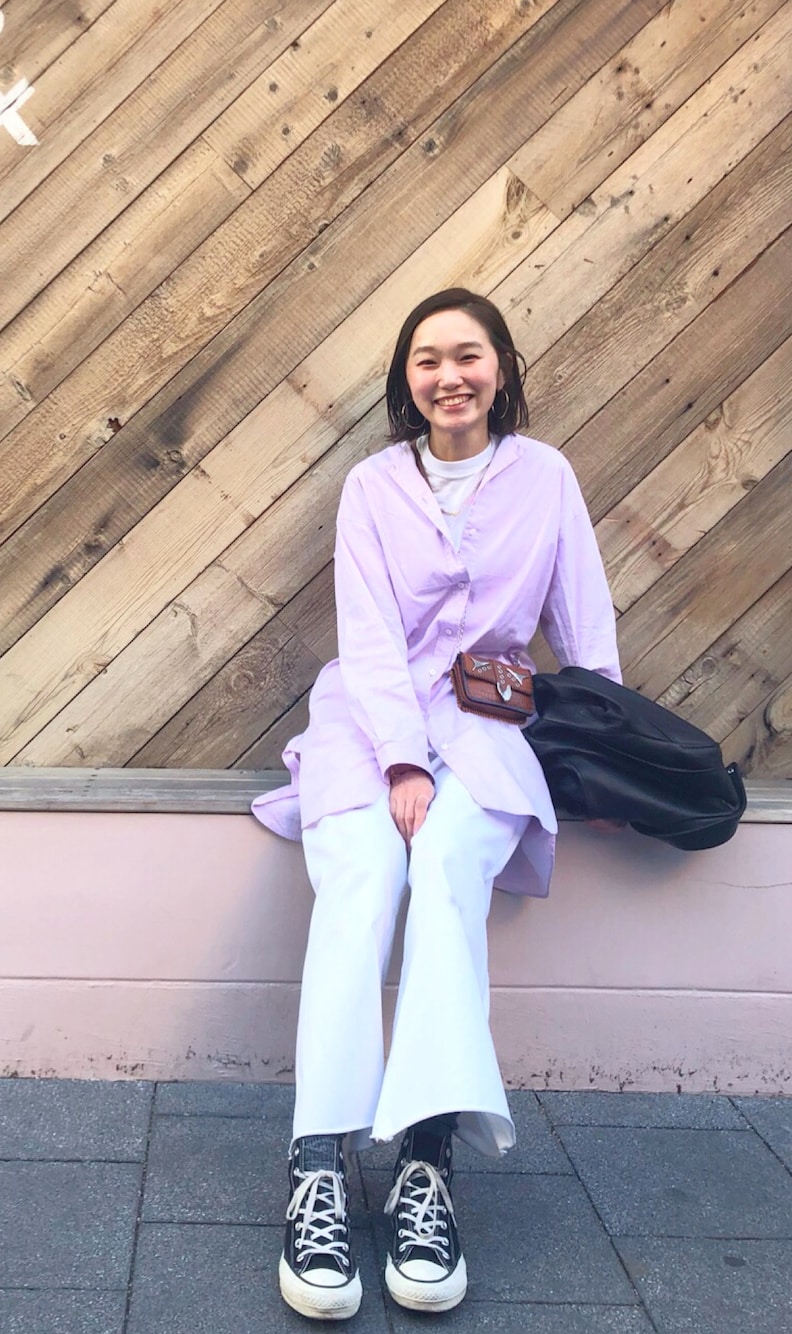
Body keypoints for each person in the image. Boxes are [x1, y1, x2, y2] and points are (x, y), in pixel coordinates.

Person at [251, 288, 621, 1320]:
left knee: (449, 864)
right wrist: (401, 759)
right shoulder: (372, 486)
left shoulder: (546, 476)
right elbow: (368, 635)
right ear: (405, 379)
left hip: (490, 723)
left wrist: (604, 755)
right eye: (427, 359)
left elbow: (584, 624)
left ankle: (426, 1162)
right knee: (365, 875)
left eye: (467, 355)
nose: (448, 375)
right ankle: (317, 1163)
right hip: (366, 722)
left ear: (500, 367)